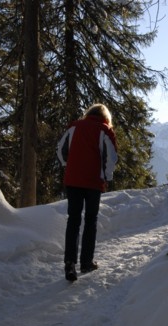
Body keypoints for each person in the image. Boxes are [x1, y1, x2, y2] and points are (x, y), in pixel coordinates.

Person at [57, 103, 118, 282]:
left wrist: (67, 165)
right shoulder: (104, 130)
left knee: (73, 220)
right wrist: (106, 176)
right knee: (90, 220)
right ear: (105, 117)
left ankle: (70, 263)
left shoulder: (74, 127)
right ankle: (86, 262)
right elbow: (112, 156)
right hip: (93, 182)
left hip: (73, 180)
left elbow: (60, 150)